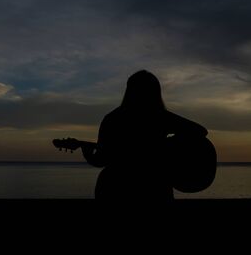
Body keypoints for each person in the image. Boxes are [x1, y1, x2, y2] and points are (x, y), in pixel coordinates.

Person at [81, 70, 208, 201]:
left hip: (113, 187)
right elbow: (200, 131)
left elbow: (101, 160)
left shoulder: (112, 119)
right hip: (155, 187)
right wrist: (169, 146)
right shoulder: (161, 117)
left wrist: (88, 155)